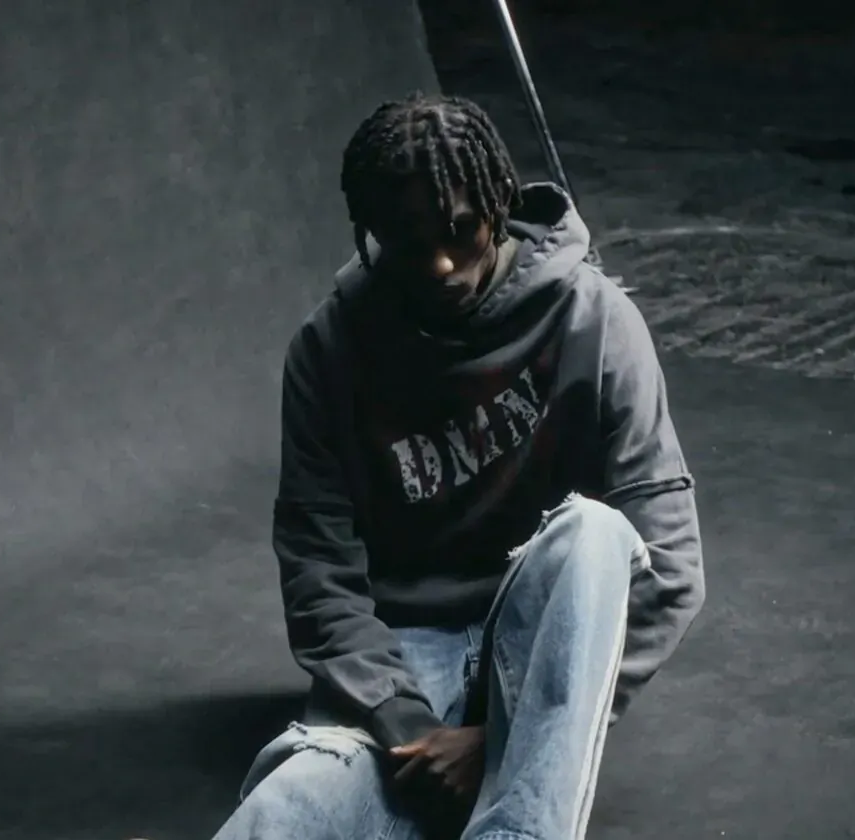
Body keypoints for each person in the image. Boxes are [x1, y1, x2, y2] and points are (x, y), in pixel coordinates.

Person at [212, 92, 706, 840]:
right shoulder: (329, 351)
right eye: (408, 242)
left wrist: (510, 735)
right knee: (290, 806)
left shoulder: (594, 320)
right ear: (371, 232)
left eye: (462, 230)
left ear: (498, 205)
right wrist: (406, 724)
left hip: (551, 632)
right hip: (410, 645)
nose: (441, 263)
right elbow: (319, 570)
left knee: (596, 534)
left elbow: (669, 561)